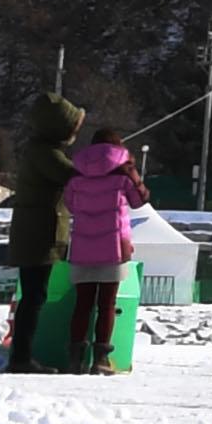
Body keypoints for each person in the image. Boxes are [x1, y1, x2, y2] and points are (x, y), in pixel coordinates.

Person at [60, 117, 149, 373]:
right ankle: (101, 359)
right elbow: (139, 200)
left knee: (82, 304)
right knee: (107, 304)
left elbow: (71, 204)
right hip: (113, 246)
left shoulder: (77, 171)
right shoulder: (122, 170)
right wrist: (132, 169)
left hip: (82, 247)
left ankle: (75, 358)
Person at [4, 90, 83, 371]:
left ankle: (22, 354)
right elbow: (74, 176)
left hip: (36, 231)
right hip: (39, 233)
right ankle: (21, 357)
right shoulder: (45, 153)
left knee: (34, 295)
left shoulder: (39, 150)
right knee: (34, 296)